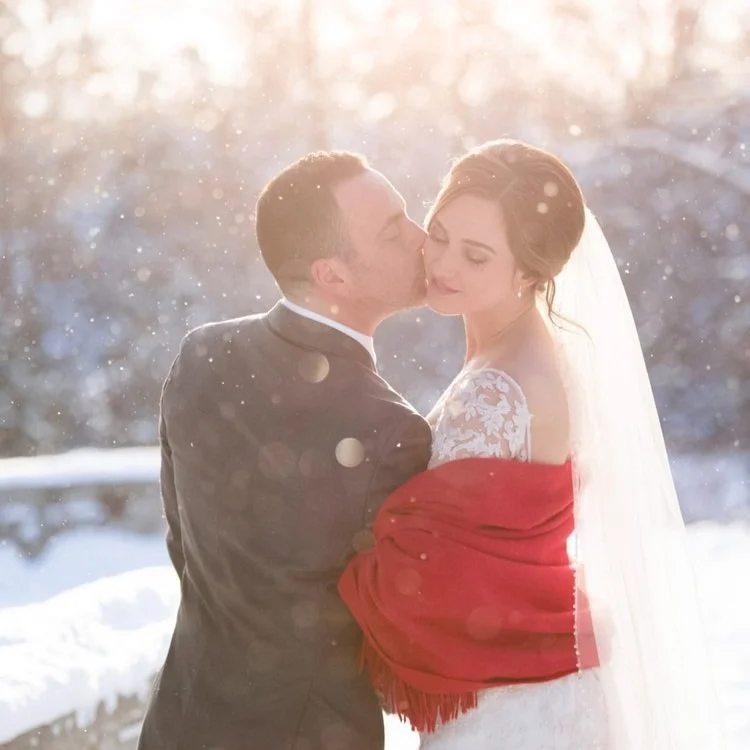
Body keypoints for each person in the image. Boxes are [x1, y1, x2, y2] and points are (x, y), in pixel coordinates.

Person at [339, 139, 723, 749]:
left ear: (529, 271)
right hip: (539, 682)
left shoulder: (497, 390)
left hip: (508, 709)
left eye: (476, 255)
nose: (443, 264)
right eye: (438, 235)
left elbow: (435, 569)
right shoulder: (535, 355)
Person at [137, 151, 432, 750]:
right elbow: (396, 629)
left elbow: (184, 543)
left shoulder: (201, 355)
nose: (422, 239)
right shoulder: (390, 430)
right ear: (333, 276)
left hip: (183, 721)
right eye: (394, 230)